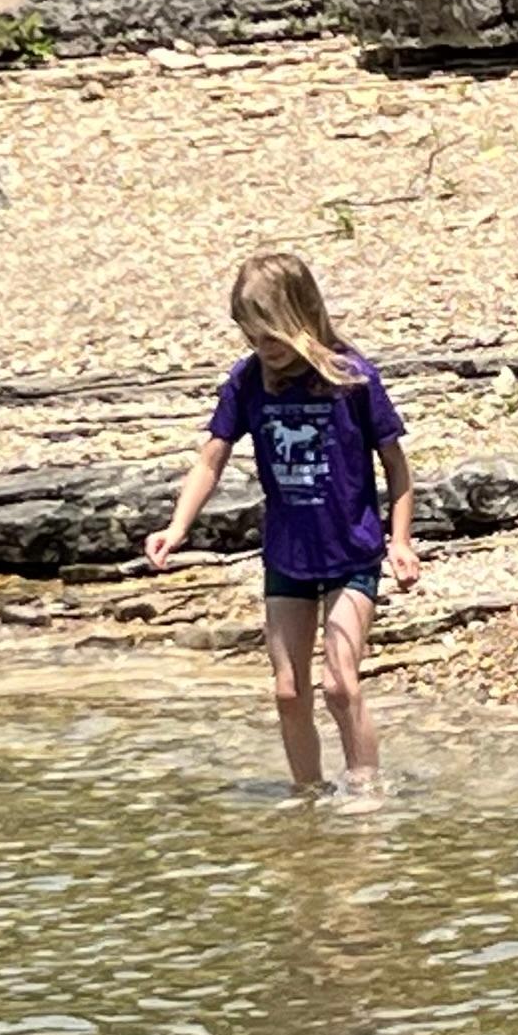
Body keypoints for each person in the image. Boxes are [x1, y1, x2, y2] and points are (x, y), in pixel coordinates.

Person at [147, 251, 422, 792]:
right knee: (288, 690)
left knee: (340, 684)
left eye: (270, 336)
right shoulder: (248, 382)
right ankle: (308, 798)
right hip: (288, 556)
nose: (262, 349)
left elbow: (396, 465)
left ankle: (366, 792)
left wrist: (402, 541)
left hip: (352, 551)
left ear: (302, 318)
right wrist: (177, 527)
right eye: (251, 338)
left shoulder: (352, 377)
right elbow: (211, 458)